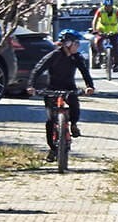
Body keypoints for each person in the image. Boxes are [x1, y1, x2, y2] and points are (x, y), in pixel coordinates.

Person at [26, 30, 96, 162]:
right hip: (52, 88)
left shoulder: (77, 57)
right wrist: (31, 86)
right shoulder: (53, 56)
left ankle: (74, 124)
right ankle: (52, 148)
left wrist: (89, 86)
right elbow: (37, 69)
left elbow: (85, 73)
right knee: (50, 120)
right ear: (67, 44)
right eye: (75, 43)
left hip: (69, 87)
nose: (78, 46)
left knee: (74, 103)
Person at [90, 0, 118, 72]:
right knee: (98, 41)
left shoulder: (116, 10)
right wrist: (94, 29)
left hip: (113, 30)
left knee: (115, 47)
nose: (108, 8)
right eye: (107, 6)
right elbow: (95, 20)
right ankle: (100, 54)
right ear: (104, 5)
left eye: (110, 6)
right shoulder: (100, 10)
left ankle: (116, 64)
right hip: (102, 30)